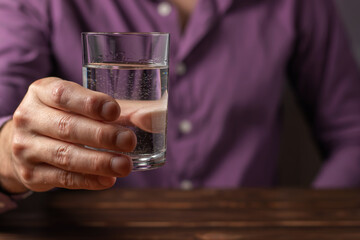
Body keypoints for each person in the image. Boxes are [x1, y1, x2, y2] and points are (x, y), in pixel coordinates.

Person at [0, 0, 360, 213]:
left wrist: (306, 219)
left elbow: (352, 131)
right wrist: (9, 157)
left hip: (244, 228)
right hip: (90, 231)